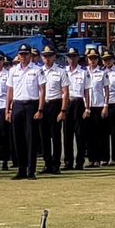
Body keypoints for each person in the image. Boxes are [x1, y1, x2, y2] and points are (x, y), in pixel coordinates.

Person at [4, 46, 43, 180]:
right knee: (18, 138)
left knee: (31, 138)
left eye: (26, 54)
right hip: (17, 104)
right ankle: (21, 169)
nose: (24, 56)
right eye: (21, 54)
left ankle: (31, 171)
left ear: (30, 55)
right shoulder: (13, 71)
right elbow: (10, 91)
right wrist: (7, 110)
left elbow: (42, 90)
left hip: (31, 104)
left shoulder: (37, 70)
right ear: (18, 55)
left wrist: (40, 109)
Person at [38, 46, 68, 174]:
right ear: (41, 57)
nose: (47, 58)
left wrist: (63, 110)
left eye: (49, 55)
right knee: (44, 137)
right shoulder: (39, 71)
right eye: (45, 56)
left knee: (55, 136)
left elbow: (65, 92)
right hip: (43, 105)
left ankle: (56, 164)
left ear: (54, 57)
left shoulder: (60, 71)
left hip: (55, 104)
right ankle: (47, 163)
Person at [84, 49, 110, 168]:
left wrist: (105, 106)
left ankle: (102, 158)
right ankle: (91, 159)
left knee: (101, 134)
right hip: (87, 107)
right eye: (90, 58)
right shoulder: (84, 72)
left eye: (94, 58)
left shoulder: (103, 73)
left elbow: (106, 90)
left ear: (98, 60)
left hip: (99, 106)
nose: (92, 60)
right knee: (89, 134)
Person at [64, 49, 88, 171]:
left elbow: (87, 91)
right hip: (67, 103)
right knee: (67, 134)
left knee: (80, 134)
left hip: (79, 103)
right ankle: (68, 162)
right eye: (69, 57)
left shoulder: (83, 72)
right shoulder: (64, 71)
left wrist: (87, 108)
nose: (71, 59)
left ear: (78, 58)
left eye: (74, 56)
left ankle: (80, 162)